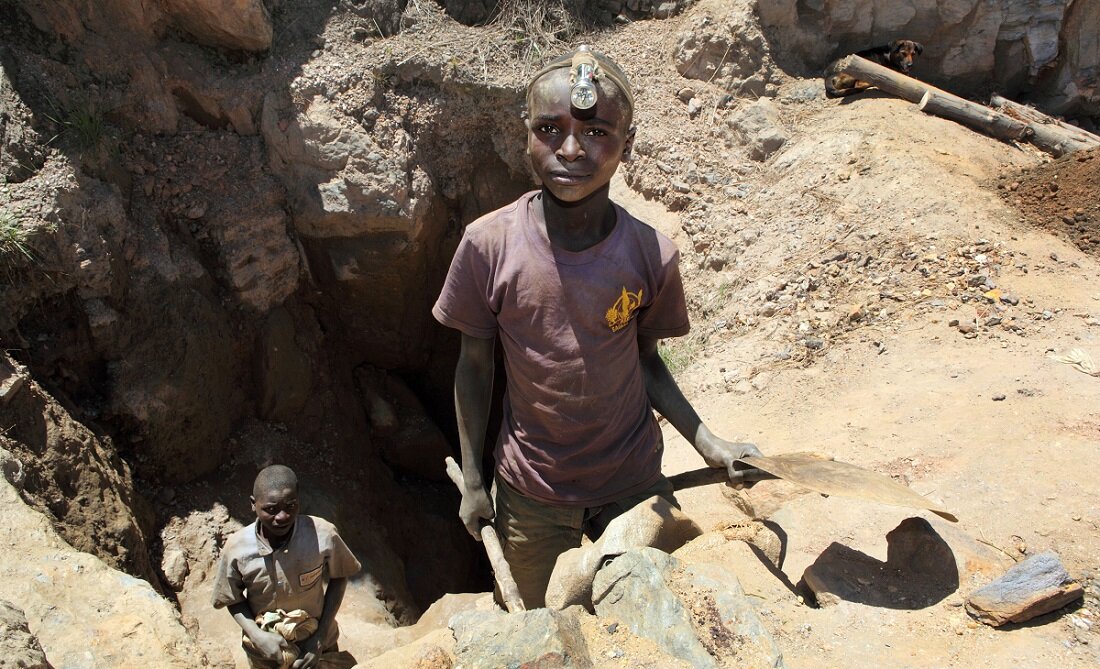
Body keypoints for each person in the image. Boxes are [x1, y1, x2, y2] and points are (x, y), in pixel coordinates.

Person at [432, 46, 763, 609]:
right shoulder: (488, 246)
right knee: (534, 617)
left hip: (632, 482)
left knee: (647, 614)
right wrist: (471, 479)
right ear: (525, 136)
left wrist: (708, 444)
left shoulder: (649, 254)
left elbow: (646, 360)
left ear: (626, 145)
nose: (570, 148)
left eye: (596, 131)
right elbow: (474, 366)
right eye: (549, 128)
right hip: (532, 490)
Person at [212, 465, 361, 669]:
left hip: (318, 644)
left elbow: (339, 576)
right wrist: (257, 636)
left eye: (290, 506)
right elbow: (232, 598)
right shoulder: (237, 548)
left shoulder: (323, 534)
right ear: (253, 505)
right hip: (267, 652)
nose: (282, 516)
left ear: (298, 501)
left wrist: (319, 637)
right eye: (271, 509)